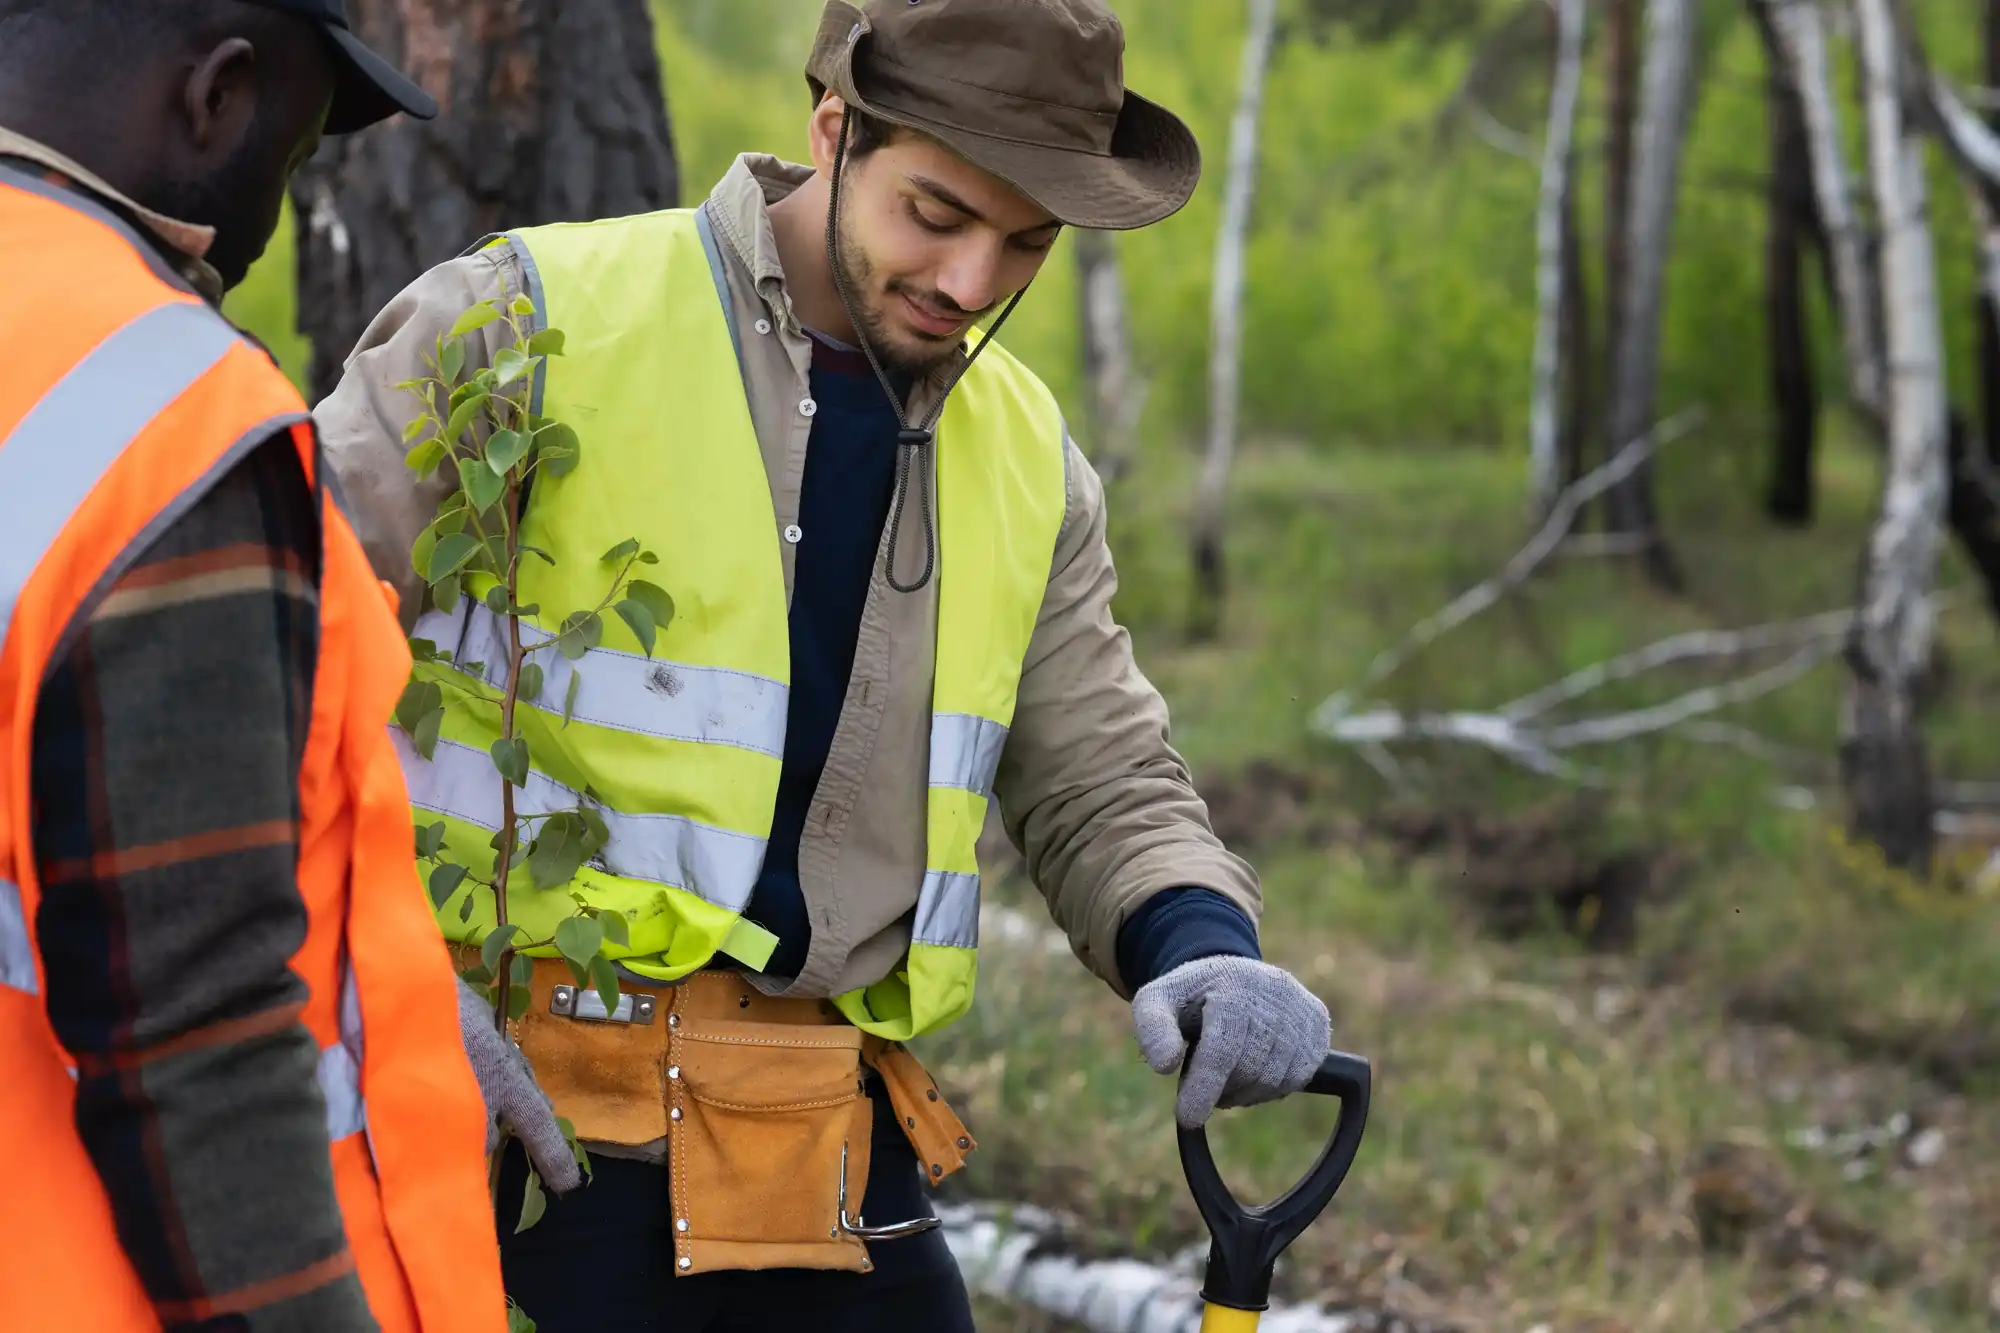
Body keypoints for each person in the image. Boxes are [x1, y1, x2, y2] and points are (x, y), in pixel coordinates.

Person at [315, 0, 1335, 1328]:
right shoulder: (525, 323)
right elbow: (254, 652)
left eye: (1026, 244)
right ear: (834, 132)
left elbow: (1100, 781)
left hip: (824, 1152)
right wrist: (356, 977)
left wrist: (1201, 945)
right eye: (936, 214)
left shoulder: (1030, 460)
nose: (972, 282)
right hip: (501, 1131)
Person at [0, 2, 543, 1328]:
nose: (270, 228)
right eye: (292, 164)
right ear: (217, 98)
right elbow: (197, 1022)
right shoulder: (164, 417)